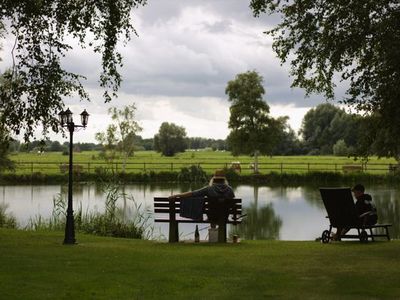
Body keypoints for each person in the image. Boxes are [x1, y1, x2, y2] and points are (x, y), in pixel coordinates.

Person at [169, 170, 235, 225]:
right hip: (224, 217)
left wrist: (176, 195)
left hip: (212, 217)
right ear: (224, 179)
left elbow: (192, 193)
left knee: (212, 210)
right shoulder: (230, 189)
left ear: (214, 178)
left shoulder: (209, 189)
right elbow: (233, 204)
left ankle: (213, 233)